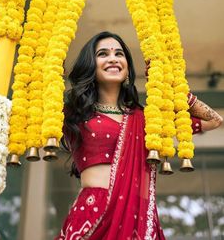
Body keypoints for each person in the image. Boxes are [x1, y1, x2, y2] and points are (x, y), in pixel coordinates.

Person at [55, 31, 223, 240]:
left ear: (127, 68)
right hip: (94, 215)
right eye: (103, 54)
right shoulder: (77, 114)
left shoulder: (146, 120)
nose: (113, 58)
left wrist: (175, 90)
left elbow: (214, 120)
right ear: (90, 64)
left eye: (119, 54)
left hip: (138, 217)